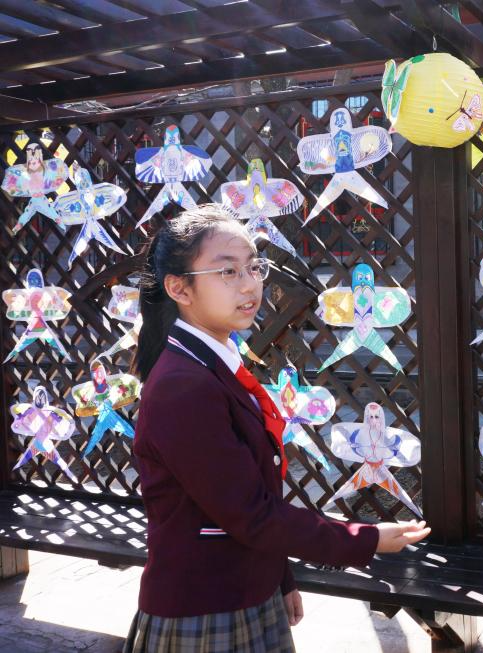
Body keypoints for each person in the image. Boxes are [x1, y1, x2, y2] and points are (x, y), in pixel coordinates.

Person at [123, 205, 430, 652]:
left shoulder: (211, 362)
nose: (250, 284)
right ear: (179, 288)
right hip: (205, 609)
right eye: (227, 271)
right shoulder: (182, 386)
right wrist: (364, 539)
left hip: (245, 589)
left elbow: (247, 495)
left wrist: (279, 576)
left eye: (254, 267)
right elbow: (251, 514)